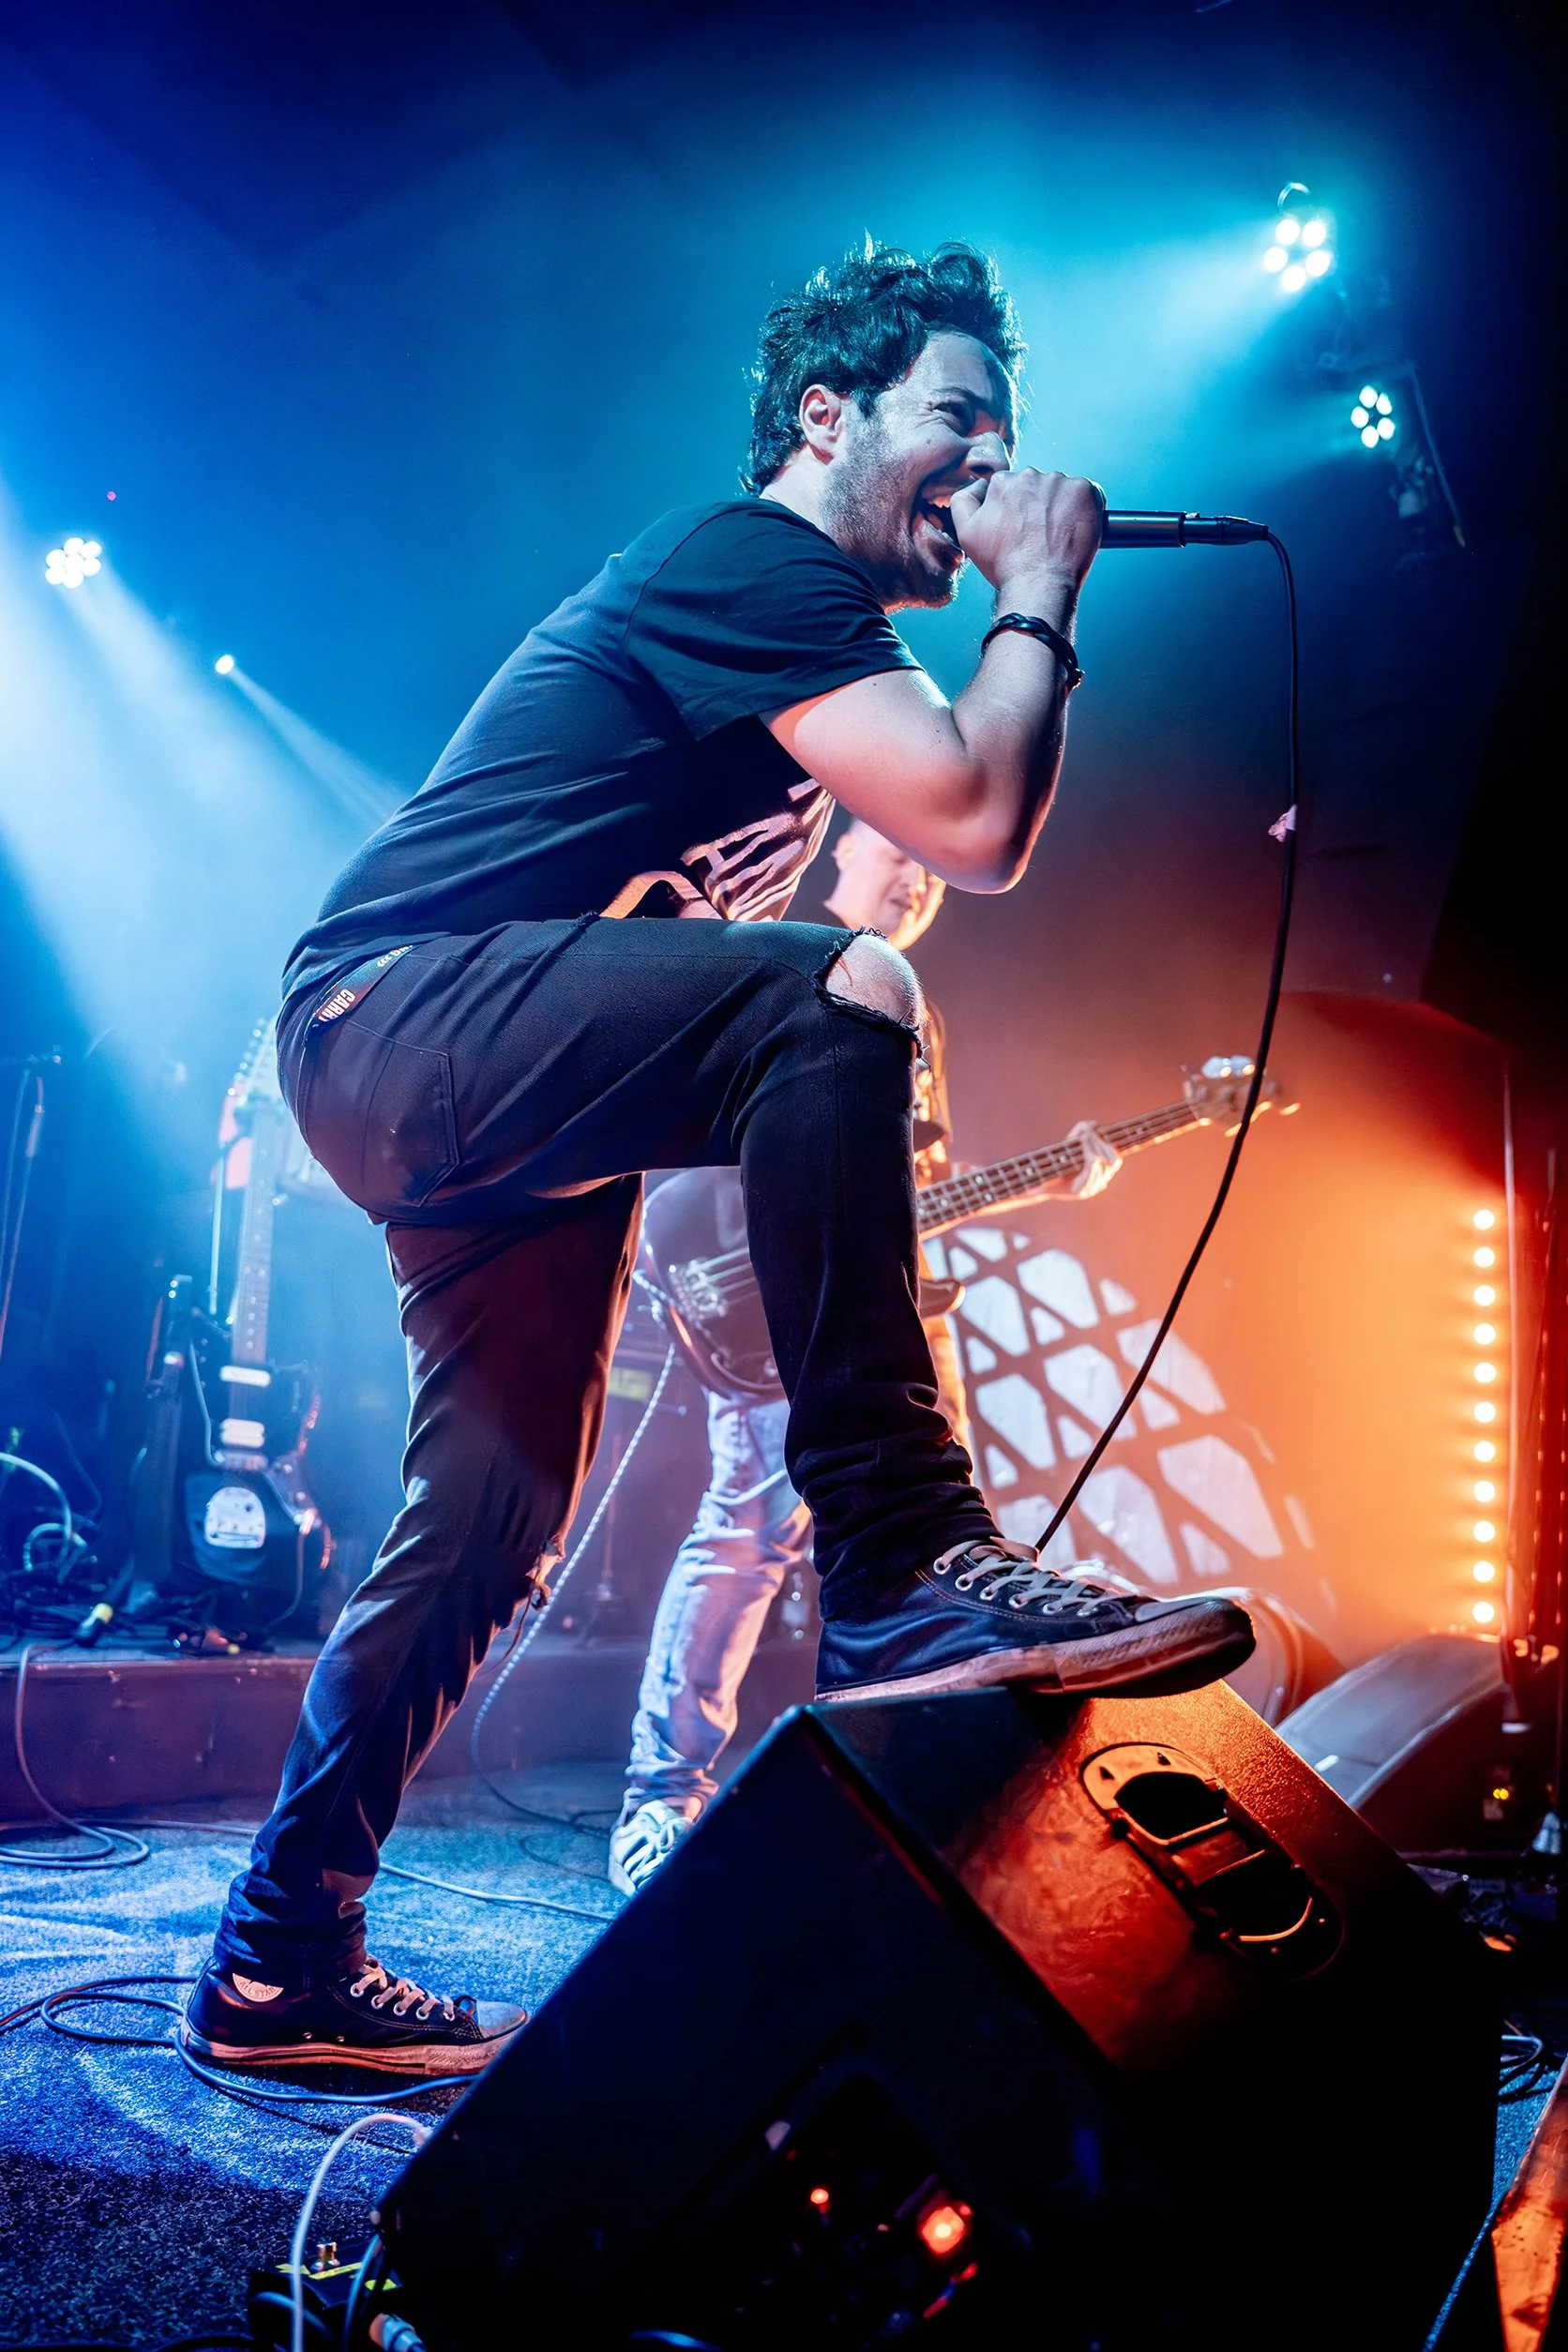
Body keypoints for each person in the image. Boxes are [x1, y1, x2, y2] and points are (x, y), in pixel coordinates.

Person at [183, 241, 1253, 2080]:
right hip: (392, 1017)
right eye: (957, 421)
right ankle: (905, 1552)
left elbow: (923, 834)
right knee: (841, 987)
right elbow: (978, 818)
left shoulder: (805, 657)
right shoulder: (744, 557)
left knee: (494, 1521)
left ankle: (275, 1964)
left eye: (1010, 438)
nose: (990, 465)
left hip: (476, 1087)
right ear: (823, 418)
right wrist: (1045, 584)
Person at [610, 818, 1122, 1893]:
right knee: (747, 1533)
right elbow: (685, 1144)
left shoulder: (915, 1007)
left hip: (901, 1308)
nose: (921, 880)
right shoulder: (778, 952)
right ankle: (661, 1796)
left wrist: (1049, 1175)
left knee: (929, 1551)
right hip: (782, 1312)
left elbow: (907, 1184)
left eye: (937, 873)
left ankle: (904, 1806)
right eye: (903, 854)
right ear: (844, 846)